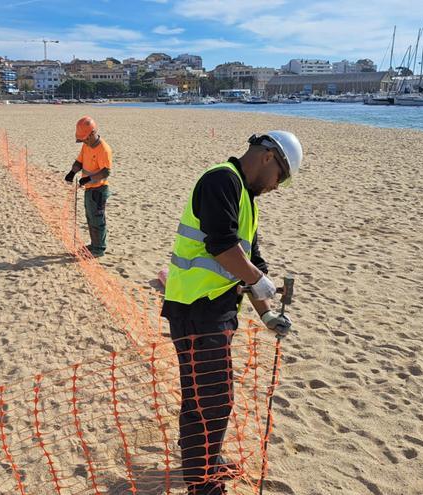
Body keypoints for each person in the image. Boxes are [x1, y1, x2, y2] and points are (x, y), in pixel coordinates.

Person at [161, 131, 303, 495]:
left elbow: (251, 263)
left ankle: (204, 462)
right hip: (196, 310)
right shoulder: (221, 180)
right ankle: (202, 482)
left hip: (216, 311)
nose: (277, 187)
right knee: (211, 400)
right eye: (280, 179)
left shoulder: (246, 197)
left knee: (207, 397)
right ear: (269, 157)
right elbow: (223, 248)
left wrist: (267, 314)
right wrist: (260, 280)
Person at [64, 116, 112, 257]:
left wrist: (89, 178)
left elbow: (105, 172)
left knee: (97, 219)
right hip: (89, 188)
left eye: (85, 138)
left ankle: (99, 249)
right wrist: (72, 172)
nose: (83, 141)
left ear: (92, 133)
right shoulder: (86, 145)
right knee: (90, 217)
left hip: (99, 189)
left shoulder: (104, 149)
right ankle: (94, 244)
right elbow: (79, 162)